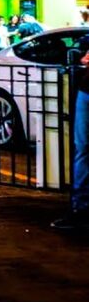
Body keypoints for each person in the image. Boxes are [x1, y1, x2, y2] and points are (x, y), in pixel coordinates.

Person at [53, 33, 89, 231]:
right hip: (86, 90)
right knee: (82, 149)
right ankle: (79, 208)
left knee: (83, 150)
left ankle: (80, 208)